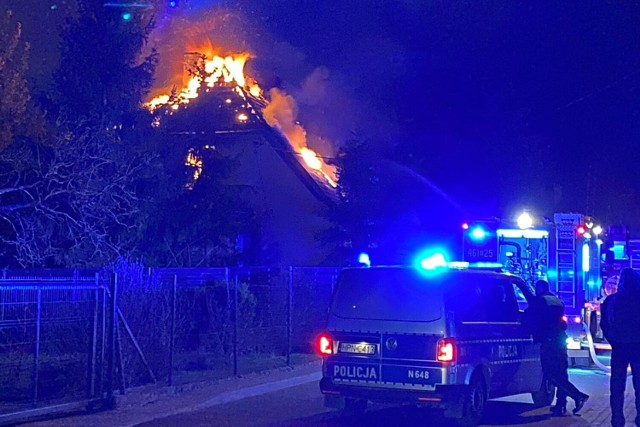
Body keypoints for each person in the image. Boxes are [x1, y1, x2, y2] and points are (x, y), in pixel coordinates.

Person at [525, 279, 589, 416]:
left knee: (550, 374)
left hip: (549, 342)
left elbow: (530, 318)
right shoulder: (556, 300)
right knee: (561, 373)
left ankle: (578, 395)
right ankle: (561, 405)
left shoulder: (540, 301)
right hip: (560, 340)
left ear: (539, 289)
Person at [601, 268, 640, 427]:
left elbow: (605, 324)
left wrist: (614, 341)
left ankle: (617, 419)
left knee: (617, 386)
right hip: (638, 347)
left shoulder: (611, 300)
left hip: (619, 348)